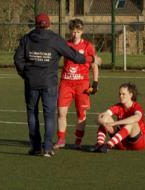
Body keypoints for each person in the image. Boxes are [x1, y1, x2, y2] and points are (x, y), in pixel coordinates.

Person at [14, 13, 98, 157]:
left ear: (35, 24)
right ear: (49, 24)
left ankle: (35, 147)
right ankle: (47, 148)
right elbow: (74, 55)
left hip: (32, 82)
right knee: (50, 115)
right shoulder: (55, 39)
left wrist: (26, 75)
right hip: (49, 84)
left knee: (32, 114)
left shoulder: (27, 39)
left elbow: (17, 59)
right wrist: (91, 58)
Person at [54, 18, 102, 150]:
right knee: (61, 112)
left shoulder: (87, 46)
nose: (75, 34)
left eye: (77, 31)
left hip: (82, 85)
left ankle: (78, 141)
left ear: (82, 31)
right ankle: (61, 139)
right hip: (66, 83)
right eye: (73, 32)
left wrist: (96, 82)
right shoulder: (65, 44)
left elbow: (94, 65)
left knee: (81, 114)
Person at [91, 82, 145, 152]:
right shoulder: (118, 106)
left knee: (132, 123)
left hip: (136, 143)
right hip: (121, 141)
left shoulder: (136, 107)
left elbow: (137, 117)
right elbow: (100, 117)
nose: (120, 96)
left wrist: (115, 123)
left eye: (123, 94)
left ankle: (109, 145)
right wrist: (102, 122)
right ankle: (99, 144)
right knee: (105, 117)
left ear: (130, 95)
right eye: (120, 94)